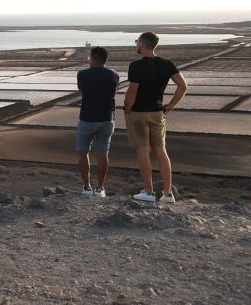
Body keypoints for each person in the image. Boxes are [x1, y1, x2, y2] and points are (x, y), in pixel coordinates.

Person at [124, 32, 188, 203]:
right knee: (161, 151)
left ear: (143, 44)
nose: (136, 44)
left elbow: (132, 91)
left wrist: (127, 108)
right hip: (158, 113)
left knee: (143, 151)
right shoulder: (167, 64)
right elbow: (183, 86)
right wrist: (170, 105)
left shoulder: (136, 66)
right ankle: (168, 193)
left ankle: (149, 192)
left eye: (137, 41)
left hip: (138, 114)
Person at [76, 46, 119, 197]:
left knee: (83, 152)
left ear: (93, 58)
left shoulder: (82, 74)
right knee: (103, 153)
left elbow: (82, 90)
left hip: (87, 118)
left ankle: (87, 187)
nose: (88, 59)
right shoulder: (114, 75)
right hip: (107, 119)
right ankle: (100, 188)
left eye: (89, 57)